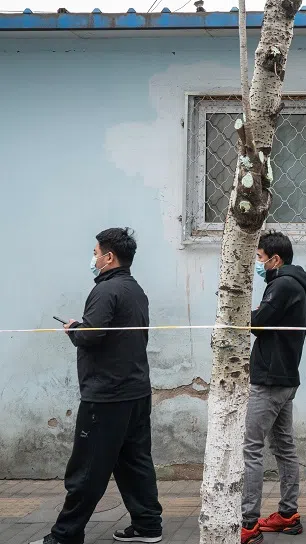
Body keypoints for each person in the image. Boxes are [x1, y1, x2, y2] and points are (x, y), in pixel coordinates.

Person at [34, 228, 163, 544]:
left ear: (109, 257)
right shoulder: (135, 290)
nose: (92, 259)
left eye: (95, 253)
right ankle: (148, 526)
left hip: (108, 395)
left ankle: (65, 536)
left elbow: (92, 335)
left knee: (87, 468)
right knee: (134, 461)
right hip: (135, 391)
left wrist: (75, 330)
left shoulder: (106, 292)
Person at [240, 231, 306, 544]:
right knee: (284, 447)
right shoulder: (295, 283)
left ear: (275, 259)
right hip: (284, 377)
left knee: (252, 448)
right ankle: (287, 514)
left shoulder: (283, 284)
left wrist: (237, 315)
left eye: (260, 258)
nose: (257, 264)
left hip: (271, 379)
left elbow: (259, 323)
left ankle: (248, 523)